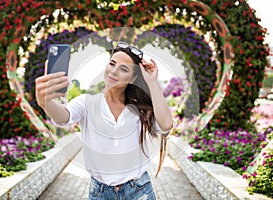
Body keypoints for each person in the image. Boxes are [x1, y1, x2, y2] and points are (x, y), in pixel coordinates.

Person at [35, 41, 174, 200]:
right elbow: (63, 117)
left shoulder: (139, 109)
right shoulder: (86, 103)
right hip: (100, 192)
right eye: (112, 64)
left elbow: (166, 125)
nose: (114, 71)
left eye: (123, 69)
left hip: (139, 191)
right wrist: (45, 102)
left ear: (133, 78)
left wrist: (152, 81)